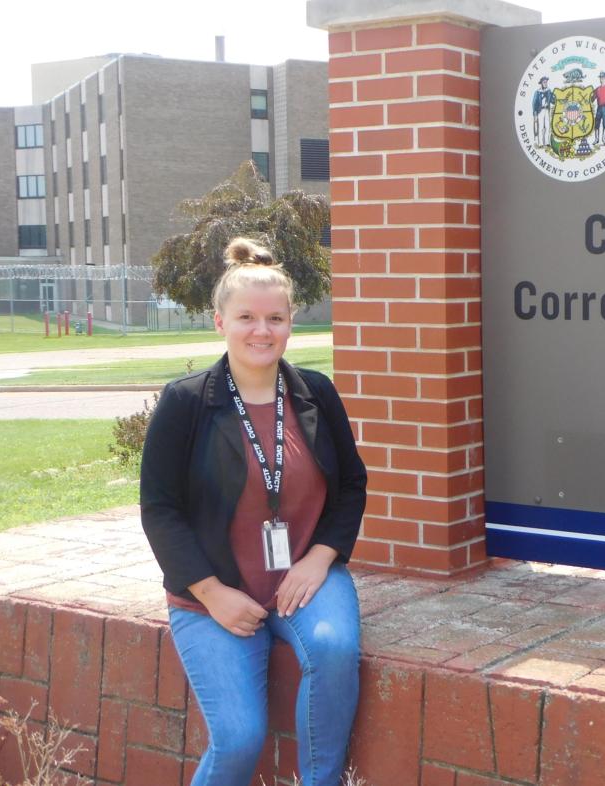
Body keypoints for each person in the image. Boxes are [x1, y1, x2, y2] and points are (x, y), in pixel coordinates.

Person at [140, 237, 368, 786]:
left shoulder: (316, 394)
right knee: (240, 740)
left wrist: (319, 559)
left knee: (335, 649)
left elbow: (353, 485)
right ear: (220, 322)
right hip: (212, 593)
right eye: (246, 317)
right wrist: (212, 594)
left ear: (292, 323)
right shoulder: (186, 403)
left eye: (275, 318)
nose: (261, 331)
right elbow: (160, 510)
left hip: (304, 580)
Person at [532, 76, 555, 147]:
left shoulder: (548, 91)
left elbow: (552, 101)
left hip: (547, 110)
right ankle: (541, 143)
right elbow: (534, 103)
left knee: (548, 126)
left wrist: (556, 97)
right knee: (541, 127)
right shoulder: (537, 92)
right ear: (541, 83)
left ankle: (547, 142)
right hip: (540, 110)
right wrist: (535, 113)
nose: (546, 83)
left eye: (546, 82)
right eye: (544, 82)